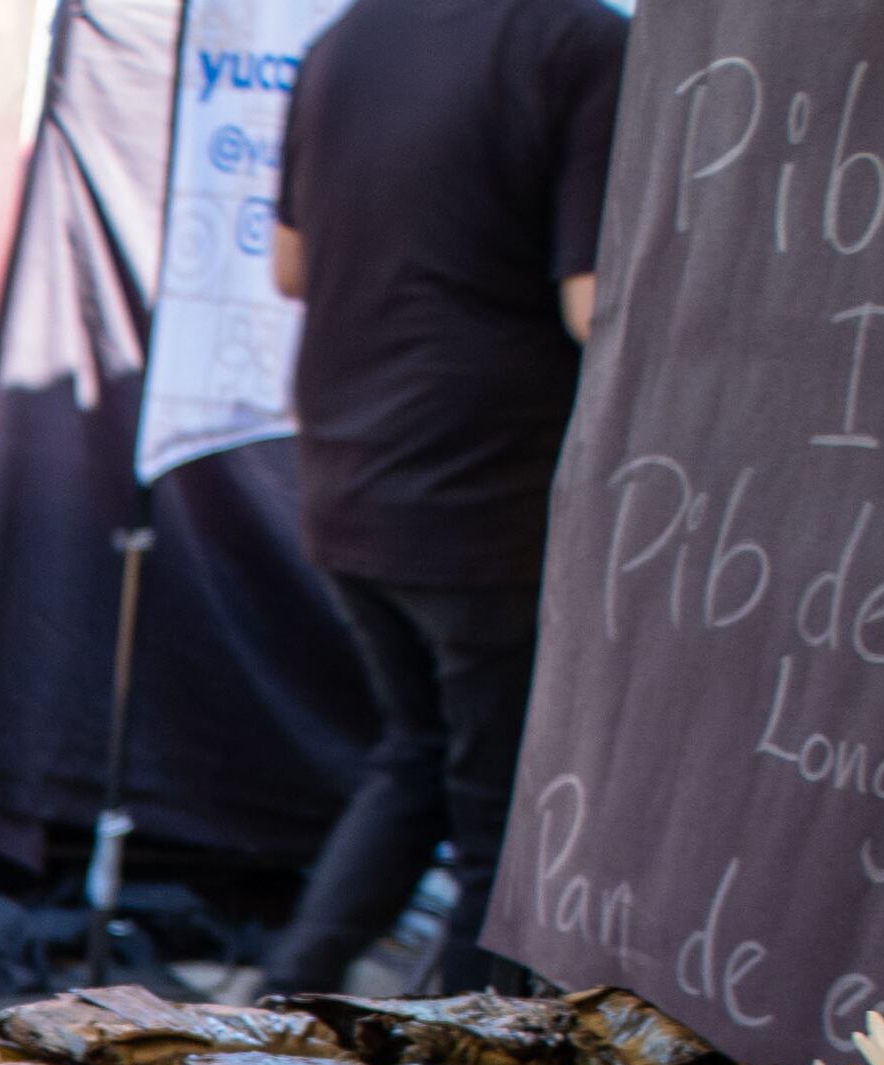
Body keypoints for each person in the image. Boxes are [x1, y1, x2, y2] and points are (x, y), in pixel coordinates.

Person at [254, 0, 623, 996]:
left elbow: (288, 265)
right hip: (477, 489)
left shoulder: (343, 42)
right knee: (493, 817)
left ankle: (274, 1002)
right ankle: (439, 1060)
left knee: (414, 756)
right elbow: (590, 305)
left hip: (344, 469)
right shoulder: (581, 43)